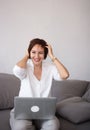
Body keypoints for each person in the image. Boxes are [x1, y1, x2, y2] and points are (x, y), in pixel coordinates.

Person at [10, 38, 69, 130]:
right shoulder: (25, 66)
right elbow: (17, 70)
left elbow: (65, 75)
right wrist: (26, 56)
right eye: (33, 52)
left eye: (40, 53)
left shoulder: (50, 67)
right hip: (23, 112)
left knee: (53, 127)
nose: (36, 56)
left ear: (45, 54)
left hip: (44, 112)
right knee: (20, 127)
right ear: (29, 52)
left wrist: (52, 56)